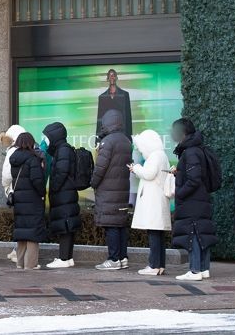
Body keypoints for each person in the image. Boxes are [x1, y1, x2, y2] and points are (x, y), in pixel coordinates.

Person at [170, 118, 218, 281]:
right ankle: (203, 269)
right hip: (200, 199)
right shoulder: (198, 149)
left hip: (192, 201)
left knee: (194, 233)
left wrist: (180, 193)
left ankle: (195, 270)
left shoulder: (190, 151)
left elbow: (194, 179)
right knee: (201, 233)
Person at [91, 109, 133, 270]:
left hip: (108, 190)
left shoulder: (107, 142)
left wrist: (93, 182)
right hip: (122, 189)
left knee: (111, 225)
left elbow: (100, 167)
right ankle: (122, 258)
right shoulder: (125, 140)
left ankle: (113, 259)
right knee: (120, 223)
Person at [129, 129, 171, 275]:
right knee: (158, 234)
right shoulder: (162, 155)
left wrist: (136, 168)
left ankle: (153, 266)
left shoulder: (154, 156)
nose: (140, 151)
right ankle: (159, 265)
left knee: (153, 233)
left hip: (153, 201)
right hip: (158, 200)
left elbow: (148, 174)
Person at [43, 122, 81, 268]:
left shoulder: (63, 150)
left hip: (64, 194)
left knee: (65, 225)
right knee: (67, 225)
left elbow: (62, 172)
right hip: (66, 194)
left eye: (46, 136)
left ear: (54, 136)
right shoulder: (62, 149)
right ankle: (67, 257)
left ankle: (64, 258)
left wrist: (54, 188)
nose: (45, 140)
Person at [10, 133, 47, 270]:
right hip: (32, 200)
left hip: (20, 200)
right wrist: (42, 193)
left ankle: (20, 263)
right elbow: (37, 180)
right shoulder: (33, 159)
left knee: (22, 232)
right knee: (33, 232)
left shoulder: (14, 159)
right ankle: (31, 264)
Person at [0, 124, 27, 263]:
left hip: (15, 190)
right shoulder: (31, 149)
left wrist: (5, 186)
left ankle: (18, 251)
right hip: (29, 192)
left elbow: (6, 174)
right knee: (26, 222)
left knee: (20, 222)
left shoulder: (12, 151)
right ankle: (19, 251)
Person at [96, 69, 133, 142]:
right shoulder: (102, 97)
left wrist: (129, 139)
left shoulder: (124, 95)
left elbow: (128, 118)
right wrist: (97, 140)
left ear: (116, 77)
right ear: (107, 78)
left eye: (113, 75)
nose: (112, 77)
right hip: (107, 136)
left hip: (122, 135)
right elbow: (100, 119)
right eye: (110, 76)